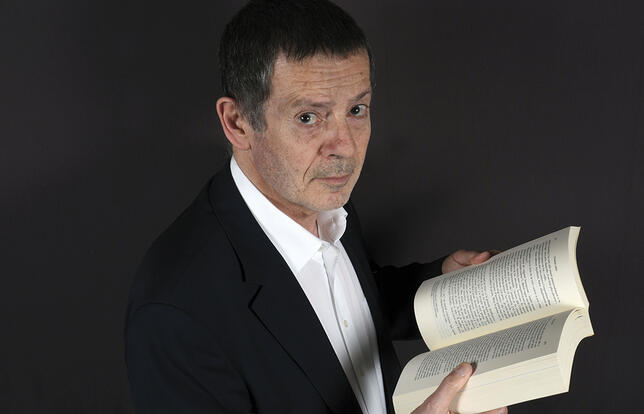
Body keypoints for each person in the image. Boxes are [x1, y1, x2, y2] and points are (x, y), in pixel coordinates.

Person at [125, 1, 507, 413]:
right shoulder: (174, 315)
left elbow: (336, 302)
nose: (345, 148)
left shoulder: (322, 197)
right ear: (237, 122)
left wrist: (438, 285)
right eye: (308, 117)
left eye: (356, 110)